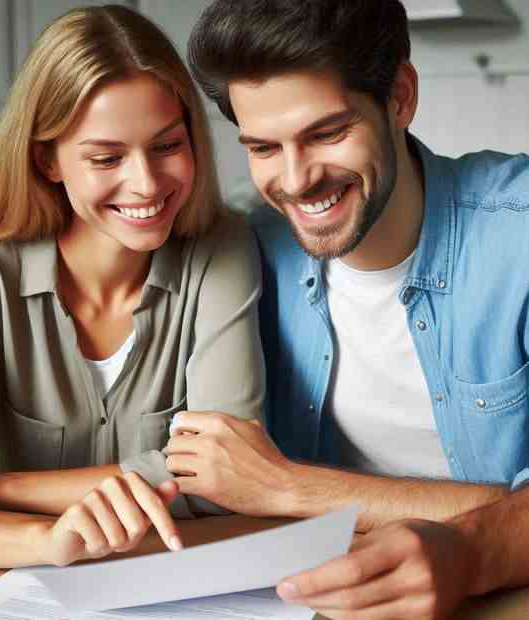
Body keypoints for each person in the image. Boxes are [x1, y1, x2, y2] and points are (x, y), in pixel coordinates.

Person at [161, 0, 529, 616]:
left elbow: (270, 488)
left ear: (401, 98)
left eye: (327, 133)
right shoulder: (246, 255)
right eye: (264, 148)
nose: (298, 179)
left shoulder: (517, 234)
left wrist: (289, 489)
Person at [0, 4, 265, 569]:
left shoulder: (222, 251)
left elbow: (229, 477)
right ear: (48, 158)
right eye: (106, 157)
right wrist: (45, 542)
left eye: (168, 145)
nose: (146, 183)